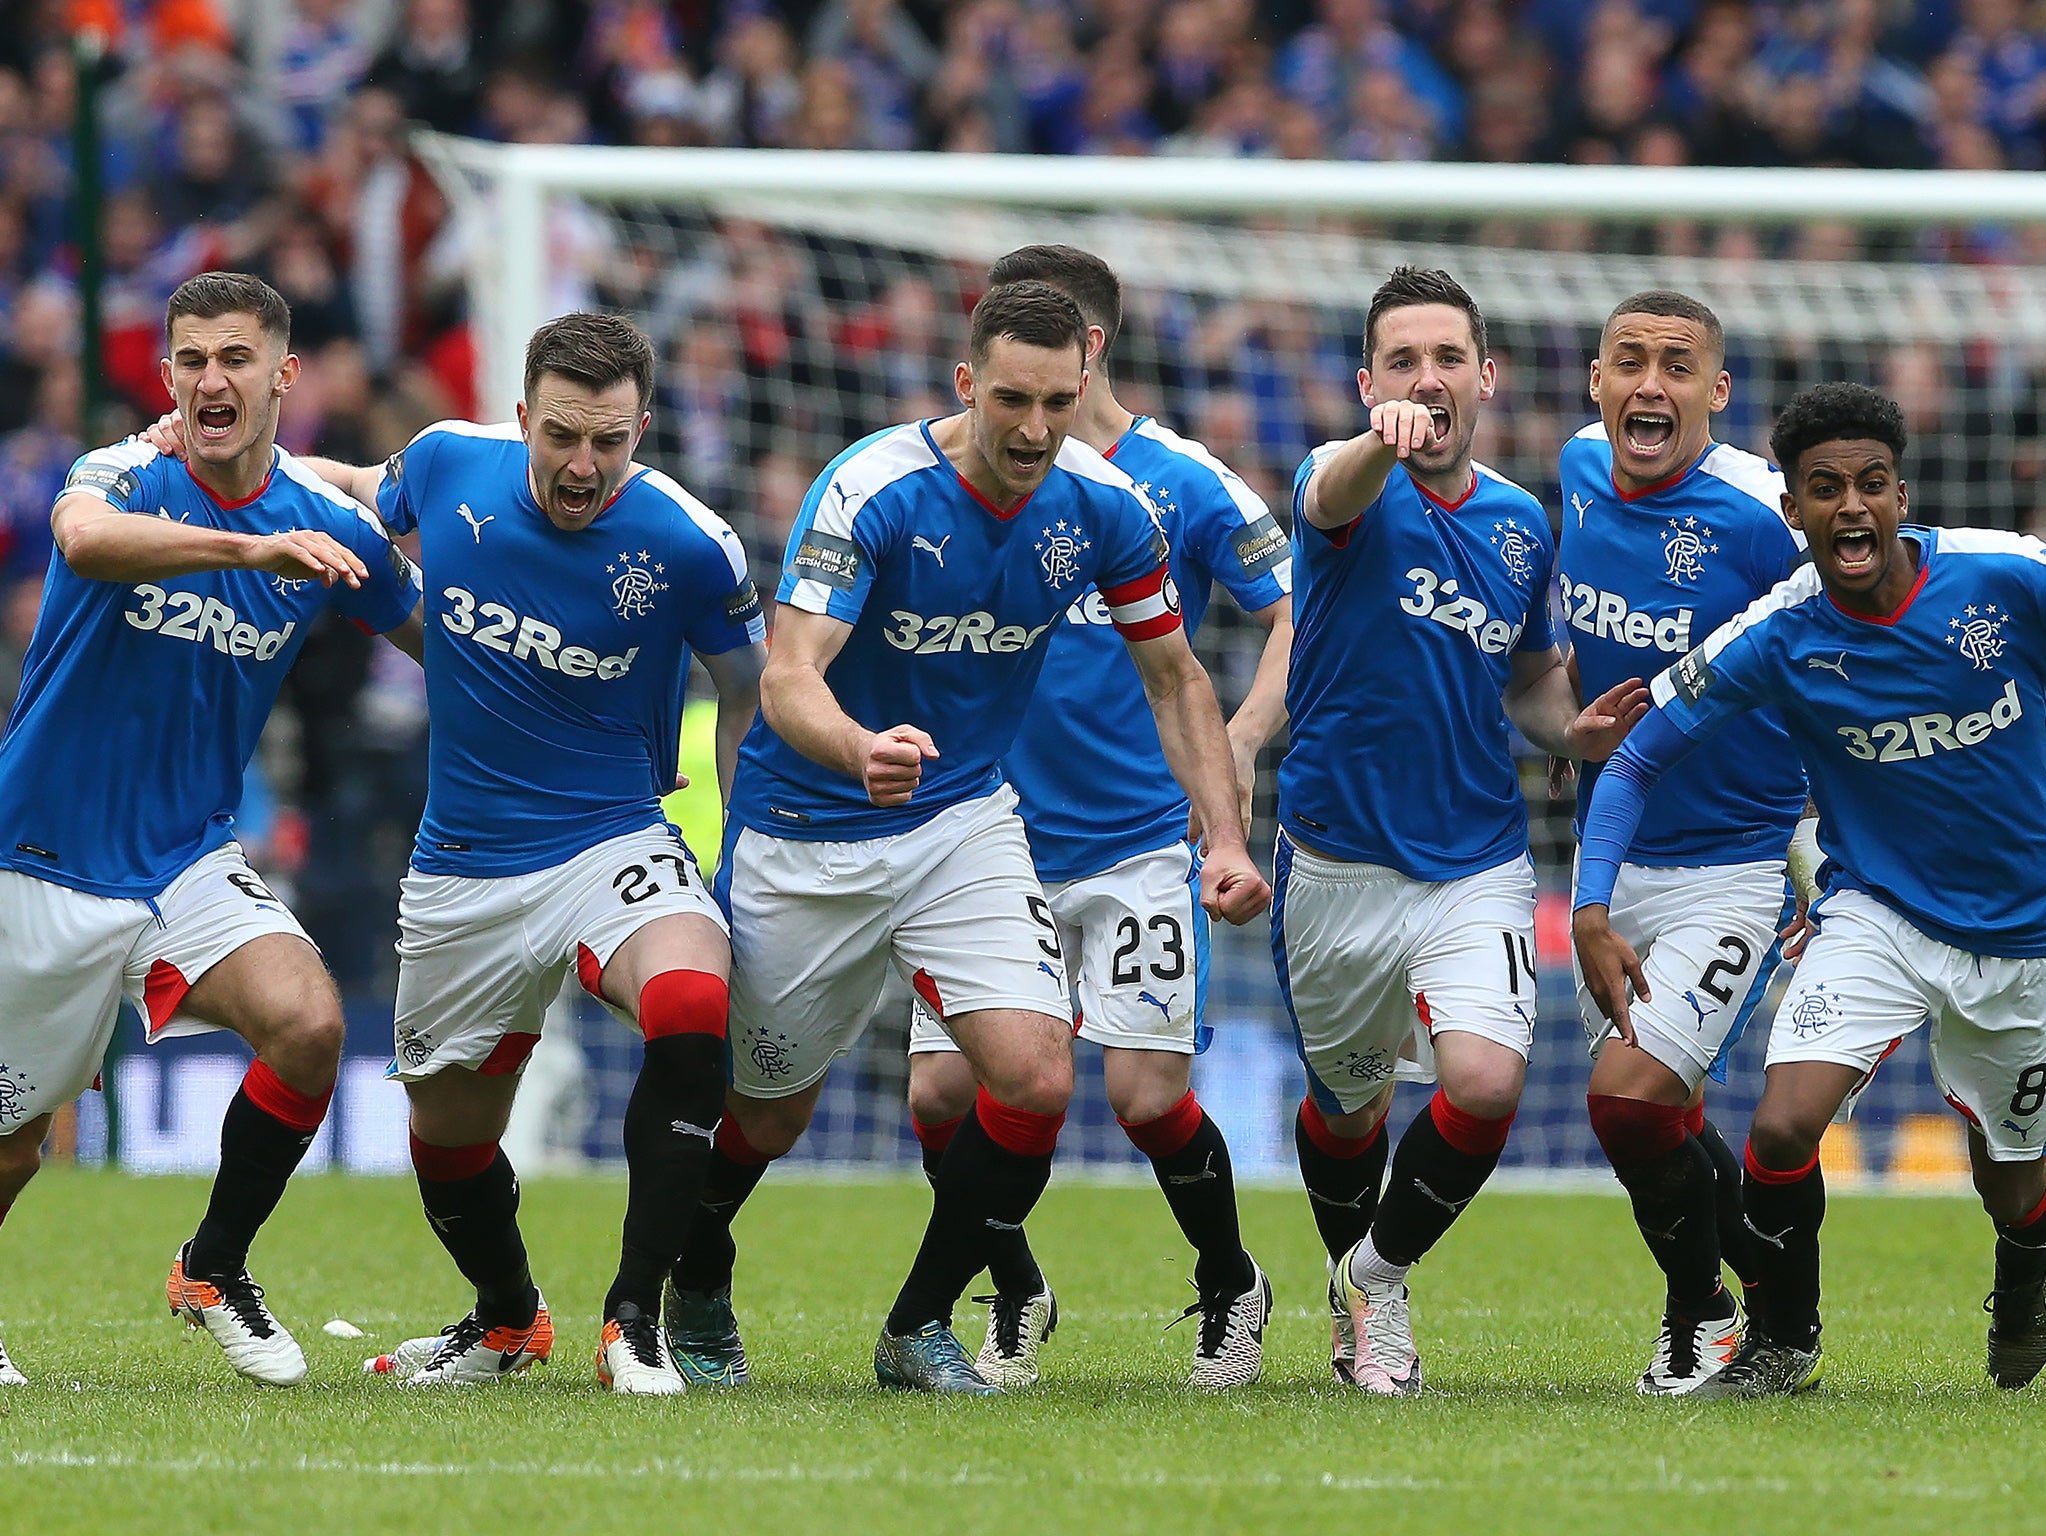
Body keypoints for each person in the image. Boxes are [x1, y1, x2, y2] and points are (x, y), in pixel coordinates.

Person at [667, 280, 1270, 1394]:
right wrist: (857, 748)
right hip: (811, 828)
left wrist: (1226, 837)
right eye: (1009, 402)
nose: (1033, 428)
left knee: (1036, 1079)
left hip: (963, 822)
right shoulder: (873, 489)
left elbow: (1176, 677)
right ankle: (698, 1273)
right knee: (765, 1113)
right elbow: (790, 675)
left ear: (1083, 382)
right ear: (964, 385)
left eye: (1053, 401)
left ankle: (921, 1322)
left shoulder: (1107, 503)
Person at [289, 313, 766, 1394]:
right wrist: (240, 459)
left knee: (694, 1006)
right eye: (561, 437)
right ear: (521, 419)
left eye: (609, 441)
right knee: (447, 1140)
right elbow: (355, 485)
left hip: (614, 840)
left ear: (643, 427)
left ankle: (634, 1321)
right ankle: (507, 1319)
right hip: (462, 864)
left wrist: (742, 856)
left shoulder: (691, 545)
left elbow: (749, 695)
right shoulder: (451, 462)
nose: (583, 465)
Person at [1576, 381, 2046, 1399]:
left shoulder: (2007, 579)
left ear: (1901, 495)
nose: (1851, 507)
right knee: (1783, 1125)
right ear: (1793, 511)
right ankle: (1785, 1344)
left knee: (2015, 1182)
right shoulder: (1779, 630)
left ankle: (2026, 1269)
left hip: (2028, 934)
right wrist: (1589, 906)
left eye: (1871, 484)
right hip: (1878, 913)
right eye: (1824, 489)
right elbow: (1632, 761)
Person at [0, 271, 423, 1388]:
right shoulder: (126, 471)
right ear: (168, 375)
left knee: (308, 1023)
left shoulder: (331, 522)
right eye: (190, 359)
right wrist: (252, 554)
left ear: (284, 376)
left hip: (186, 855)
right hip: (43, 854)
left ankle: (214, 1264)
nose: (208, 380)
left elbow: (447, 646)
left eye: (234, 358)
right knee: (14, 1144)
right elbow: (84, 541)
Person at [901, 245, 1292, 1390]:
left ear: (1091, 352)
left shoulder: (1177, 479)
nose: (1028, 407)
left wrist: (1247, 739)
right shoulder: (957, 476)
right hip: (988, 841)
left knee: (1143, 1094)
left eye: (1050, 373)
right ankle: (1013, 1285)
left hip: (1133, 840)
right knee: (938, 1095)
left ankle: (1230, 1281)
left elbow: (1293, 610)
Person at [1279, 266, 1644, 1395]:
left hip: (1475, 858)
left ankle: (1374, 1280)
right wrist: (1377, 443)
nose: (1427, 378)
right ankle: (1349, 1278)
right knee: (1348, 1114)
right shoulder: (1339, 484)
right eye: (1403, 360)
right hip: (1334, 862)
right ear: (1369, 380)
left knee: (1482, 1085)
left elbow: (1527, 683)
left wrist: (1570, 732)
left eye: (1447, 358)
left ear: (1485, 376)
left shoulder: (1519, 520)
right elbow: (1335, 492)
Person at [1557, 291, 1807, 1394]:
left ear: (1716, 393)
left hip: (1737, 860)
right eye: (1629, 364)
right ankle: (1742, 1284)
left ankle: (1717, 1304)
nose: (1649, 385)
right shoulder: (1571, 473)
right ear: (1596, 382)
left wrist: (1823, 849)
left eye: (1676, 367)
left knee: (1628, 1095)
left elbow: (1850, 644)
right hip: (1612, 846)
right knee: (1646, 1116)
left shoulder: (1764, 518)